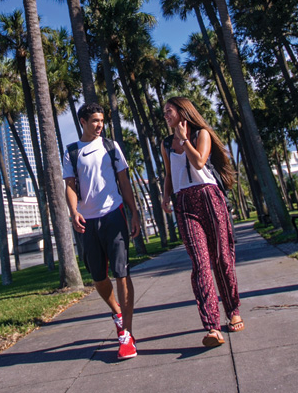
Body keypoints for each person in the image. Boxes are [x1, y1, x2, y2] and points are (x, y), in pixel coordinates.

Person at [160, 96, 244, 347]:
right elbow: (168, 174)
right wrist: (166, 196)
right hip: (184, 202)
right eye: (164, 112)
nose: (166, 115)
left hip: (209, 197)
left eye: (169, 111)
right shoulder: (165, 143)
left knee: (222, 258)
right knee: (201, 263)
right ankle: (212, 327)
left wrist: (185, 139)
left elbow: (198, 162)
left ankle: (233, 309)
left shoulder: (201, 134)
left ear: (182, 112)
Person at [63, 102, 141, 360]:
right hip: (88, 220)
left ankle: (126, 335)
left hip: (113, 214)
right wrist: (74, 212)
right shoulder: (72, 152)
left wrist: (134, 212)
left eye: (102, 121)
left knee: (121, 272)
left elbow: (124, 182)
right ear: (82, 122)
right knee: (98, 277)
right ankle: (118, 313)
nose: (100, 125)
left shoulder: (111, 146)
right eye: (95, 120)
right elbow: (71, 186)